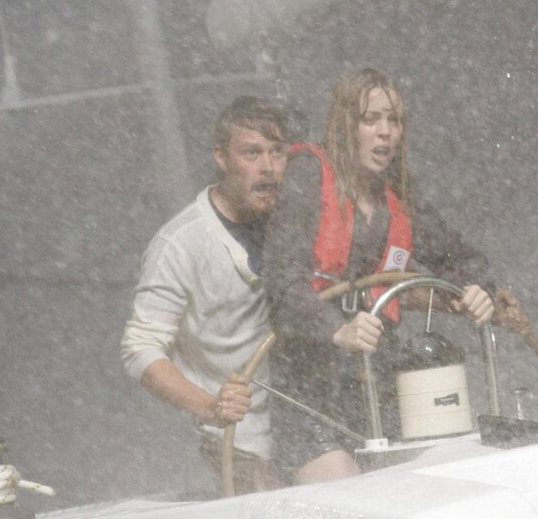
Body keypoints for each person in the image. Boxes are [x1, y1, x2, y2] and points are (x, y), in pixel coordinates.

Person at [262, 67, 496, 484]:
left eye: (394, 120)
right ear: (345, 126)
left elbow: (464, 259)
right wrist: (336, 329)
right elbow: (282, 281)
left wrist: (479, 289)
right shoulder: (308, 174)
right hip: (310, 382)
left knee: (413, 492)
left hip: (379, 381)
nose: (385, 131)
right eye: (371, 119)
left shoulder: (399, 193)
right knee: (351, 495)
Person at [121, 96, 289, 493]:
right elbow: (139, 349)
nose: (267, 167)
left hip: (306, 425)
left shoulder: (294, 223)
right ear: (221, 157)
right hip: (239, 441)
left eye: (277, 152)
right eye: (252, 153)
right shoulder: (180, 243)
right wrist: (212, 407)